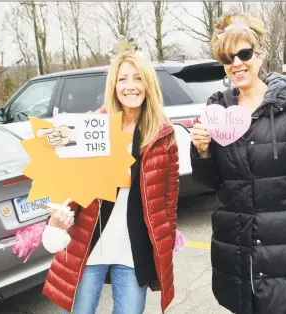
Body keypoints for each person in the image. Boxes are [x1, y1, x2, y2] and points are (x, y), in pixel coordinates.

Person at [190, 12, 286, 314]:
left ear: (259, 54)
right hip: (235, 248)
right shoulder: (216, 109)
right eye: (228, 57)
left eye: (244, 53)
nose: (237, 63)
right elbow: (211, 182)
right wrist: (202, 151)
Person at [38, 47, 180, 314]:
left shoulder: (163, 134)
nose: (131, 86)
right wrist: (56, 221)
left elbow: (169, 199)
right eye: (123, 79)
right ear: (113, 86)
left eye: (138, 78)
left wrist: (165, 242)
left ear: (148, 84)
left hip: (132, 249)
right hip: (90, 246)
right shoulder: (92, 127)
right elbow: (67, 183)